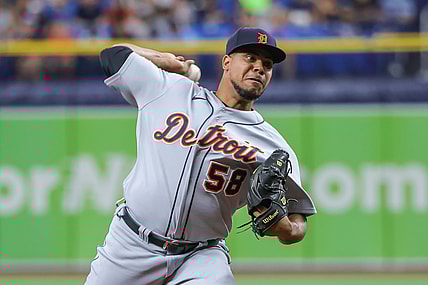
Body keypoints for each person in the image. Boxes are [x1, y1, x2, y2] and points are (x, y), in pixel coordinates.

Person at [85, 27, 316, 285]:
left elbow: (298, 224)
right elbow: (113, 56)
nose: (259, 68)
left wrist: (282, 226)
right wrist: (168, 62)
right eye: (250, 58)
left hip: (200, 255)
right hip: (131, 244)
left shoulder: (273, 146)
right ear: (226, 62)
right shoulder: (170, 90)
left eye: (267, 64)